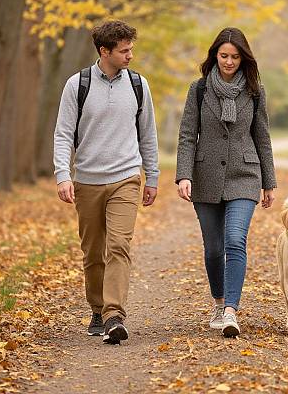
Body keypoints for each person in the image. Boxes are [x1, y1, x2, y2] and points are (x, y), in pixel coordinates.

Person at [53, 20, 159, 345]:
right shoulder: (77, 85)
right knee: (93, 252)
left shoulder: (139, 85)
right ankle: (97, 309)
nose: (130, 55)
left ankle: (115, 315)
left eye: (131, 48)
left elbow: (148, 135)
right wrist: (62, 174)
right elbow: (63, 134)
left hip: (126, 178)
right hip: (87, 181)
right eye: (124, 50)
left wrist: (151, 177)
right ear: (104, 51)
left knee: (119, 246)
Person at [176, 27, 276, 337]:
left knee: (235, 240)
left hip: (245, 175)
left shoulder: (255, 91)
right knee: (213, 248)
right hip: (205, 176)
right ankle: (218, 302)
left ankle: (231, 309)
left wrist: (269, 181)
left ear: (243, 58)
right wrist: (183, 174)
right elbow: (187, 135)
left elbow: (262, 137)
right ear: (214, 56)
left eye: (234, 56)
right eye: (223, 56)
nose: (229, 62)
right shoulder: (200, 89)